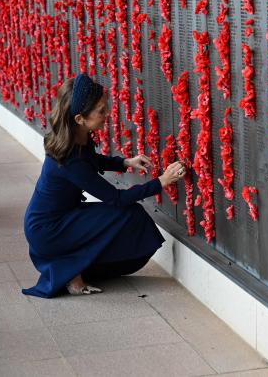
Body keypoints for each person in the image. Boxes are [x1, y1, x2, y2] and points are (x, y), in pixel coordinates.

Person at [22, 73, 185, 297]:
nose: (107, 113)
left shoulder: (76, 137)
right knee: (127, 214)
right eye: (101, 110)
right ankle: (70, 272)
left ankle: (72, 270)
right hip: (49, 230)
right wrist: (162, 182)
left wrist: (125, 162)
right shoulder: (71, 159)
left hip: (57, 219)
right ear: (80, 119)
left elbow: (93, 161)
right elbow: (116, 199)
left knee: (128, 216)